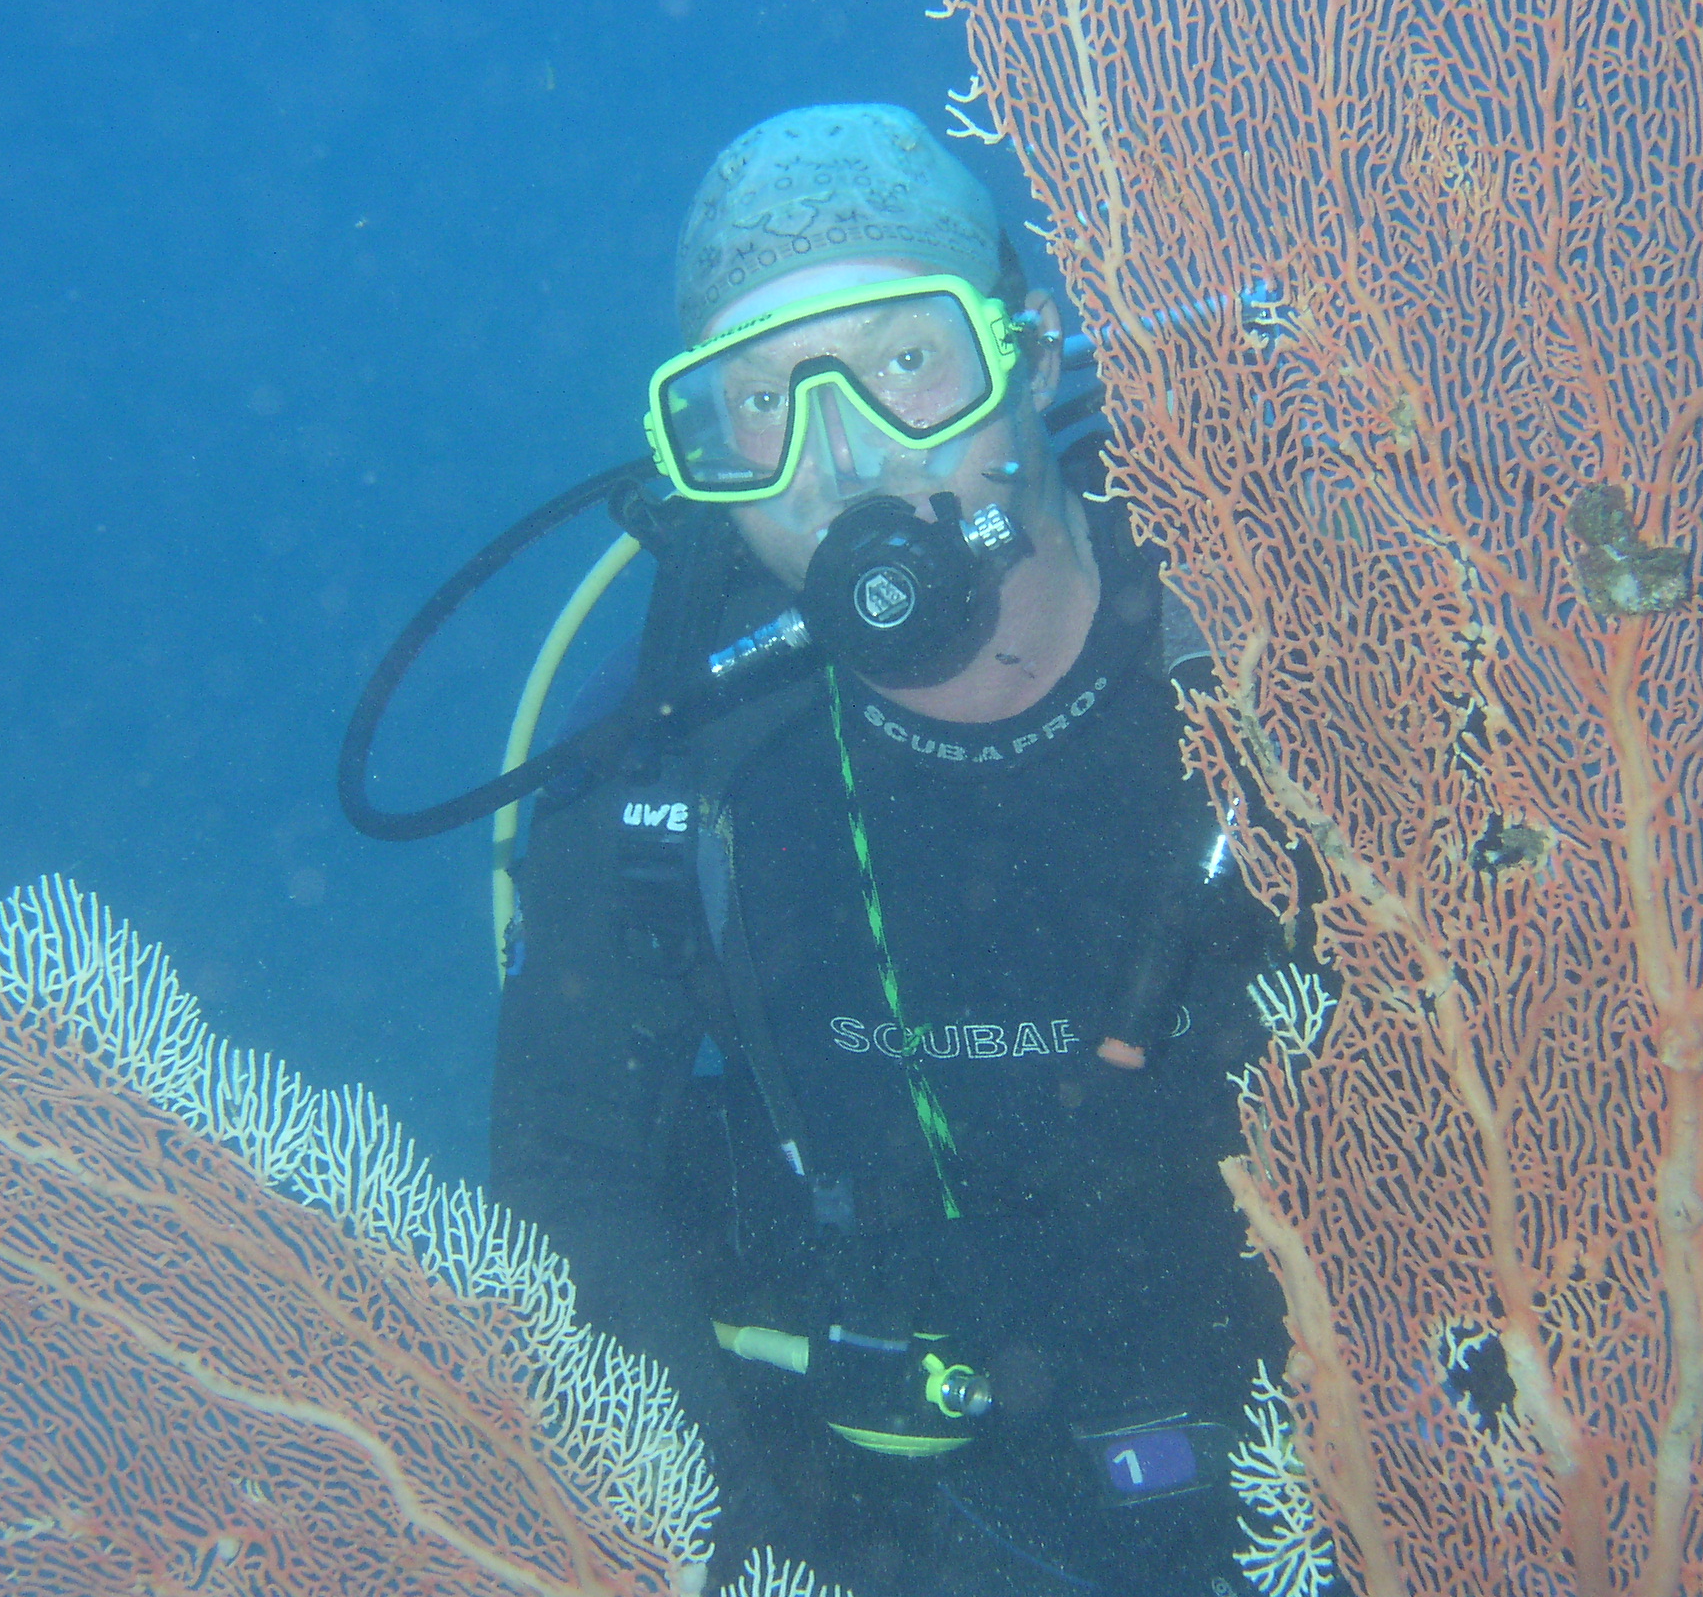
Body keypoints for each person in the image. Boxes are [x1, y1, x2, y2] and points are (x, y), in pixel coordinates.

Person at [491, 103, 1296, 1596]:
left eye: (908, 362)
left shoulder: (1284, 644)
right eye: (763, 400)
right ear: (704, 448)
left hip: (1380, 1435)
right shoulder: (667, 761)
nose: (843, 458)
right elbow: (564, 1169)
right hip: (927, 1502)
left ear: (1031, 356)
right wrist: (735, 1547)